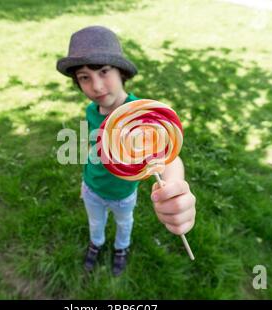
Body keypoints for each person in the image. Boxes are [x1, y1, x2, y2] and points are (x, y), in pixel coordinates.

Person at [56, 26, 196, 276]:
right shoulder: (91, 110)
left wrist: (175, 189)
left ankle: (121, 248)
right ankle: (96, 244)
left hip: (123, 194)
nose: (97, 86)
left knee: (124, 223)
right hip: (92, 189)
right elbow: (93, 149)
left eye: (103, 71)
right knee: (95, 222)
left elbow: (169, 158)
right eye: (84, 77)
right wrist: (84, 179)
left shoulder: (141, 115)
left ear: (121, 72)